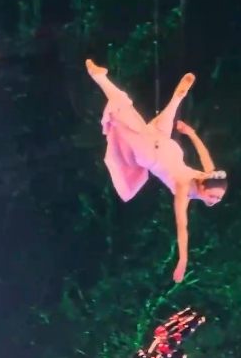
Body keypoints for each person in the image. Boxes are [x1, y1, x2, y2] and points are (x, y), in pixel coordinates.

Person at [86, 59, 227, 282]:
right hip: (154, 150)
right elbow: (182, 225)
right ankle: (100, 77)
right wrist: (182, 259)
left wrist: (191, 133)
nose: (215, 201)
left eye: (217, 199)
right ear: (203, 186)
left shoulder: (199, 179)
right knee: (126, 114)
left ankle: (176, 98)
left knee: (132, 113)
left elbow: (204, 154)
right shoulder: (187, 187)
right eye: (215, 196)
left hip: (159, 145)